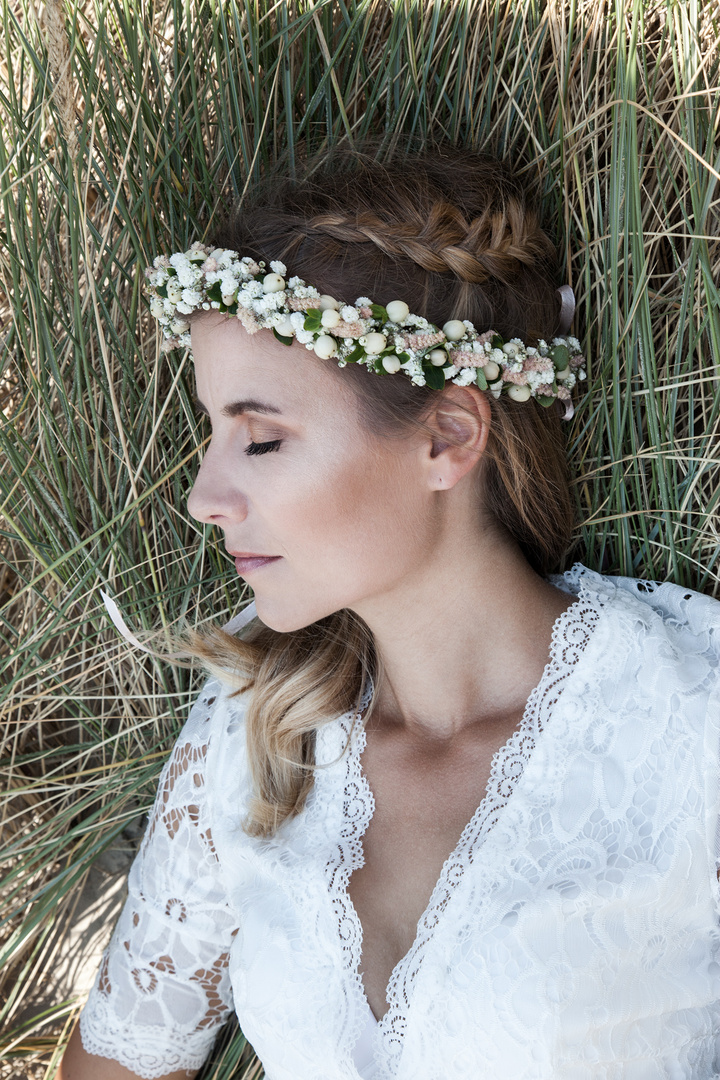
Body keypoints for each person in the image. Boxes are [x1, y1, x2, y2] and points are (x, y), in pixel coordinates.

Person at [58, 149, 720, 1080]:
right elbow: (123, 1056)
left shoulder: (693, 718)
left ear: (448, 437)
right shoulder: (257, 721)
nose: (206, 495)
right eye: (212, 432)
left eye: (263, 437)